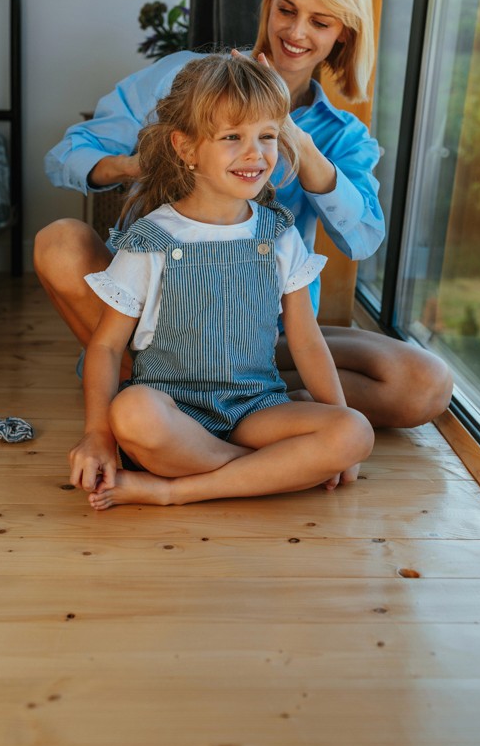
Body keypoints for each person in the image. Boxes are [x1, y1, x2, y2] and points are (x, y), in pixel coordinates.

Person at [35, 0, 452, 438]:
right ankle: (170, 399)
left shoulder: (344, 136)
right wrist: (137, 163)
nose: (296, 33)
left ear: (344, 34)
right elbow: (66, 154)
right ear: (269, 2)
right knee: (58, 243)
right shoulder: (184, 78)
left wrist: (299, 142)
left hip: (267, 334)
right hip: (158, 324)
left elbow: (362, 239)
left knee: (426, 385)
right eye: (287, 10)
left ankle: (222, 414)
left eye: (320, 22)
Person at [71, 52, 375, 508]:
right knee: (130, 413)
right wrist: (97, 434)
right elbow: (107, 347)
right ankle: (271, 470)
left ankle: (173, 490)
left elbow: (307, 342)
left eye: (267, 136)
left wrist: (335, 417)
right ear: (186, 148)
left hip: (257, 408)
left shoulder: (278, 234)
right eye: (233, 137)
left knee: (355, 430)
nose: (255, 153)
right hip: (173, 411)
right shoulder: (152, 239)